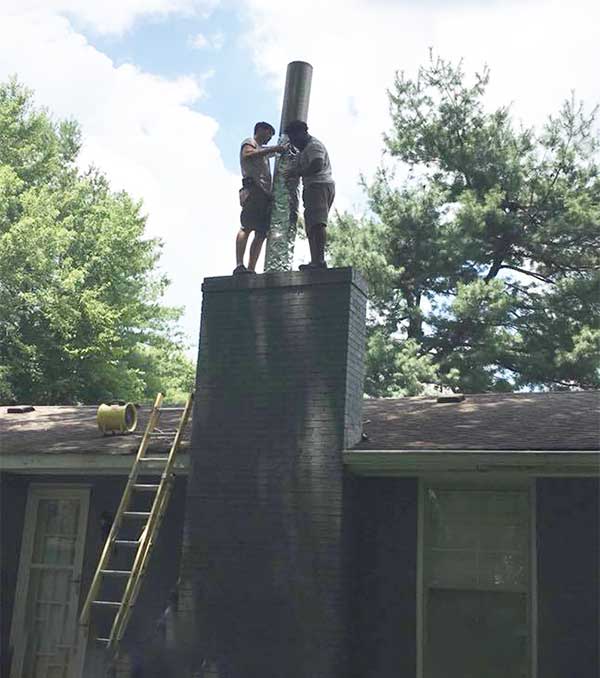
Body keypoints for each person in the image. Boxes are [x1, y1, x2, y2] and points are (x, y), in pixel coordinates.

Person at [234, 122, 285, 275]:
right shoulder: (250, 142)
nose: (270, 138)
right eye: (269, 134)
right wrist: (274, 149)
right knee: (247, 227)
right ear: (261, 130)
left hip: (264, 195)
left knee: (261, 233)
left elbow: (267, 153)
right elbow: (247, 154)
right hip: (253, 190)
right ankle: (239, 265)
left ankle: (251, 268)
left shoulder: (262, 150)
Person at [284, 120, 335, 270]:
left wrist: (297, 172)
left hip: (319, 185)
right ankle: (315, 260)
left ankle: (319, 261)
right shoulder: (302, 150)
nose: (294, 142)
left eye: (295, 138)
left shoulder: (314, 146)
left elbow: (317, 165)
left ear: (303, 133)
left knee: (318, 224)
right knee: (311, 225)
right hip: (312, 187)